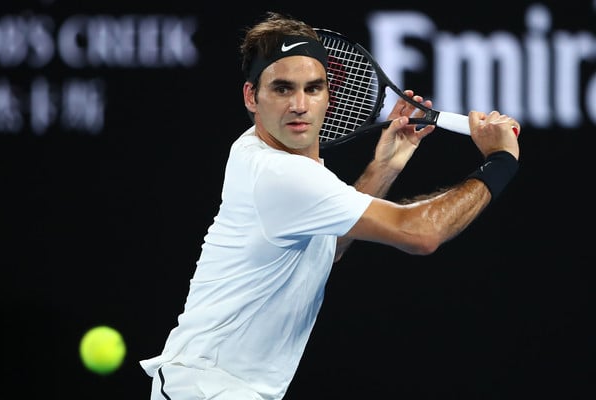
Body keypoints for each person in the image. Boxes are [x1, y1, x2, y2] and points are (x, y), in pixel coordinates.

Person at [140, 11, 520, 400]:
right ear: (252, 97)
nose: (300, 105)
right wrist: (500, 162)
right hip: (206, 389)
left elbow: (327, 245)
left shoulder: (264, 156)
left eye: (313, 88)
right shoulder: (280, 174)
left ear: (328, 96)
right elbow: (420, 233)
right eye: (283, 89)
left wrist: (385, 165)